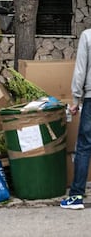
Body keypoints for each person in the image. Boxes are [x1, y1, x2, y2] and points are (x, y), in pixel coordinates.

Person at [60, 28, 91, 210]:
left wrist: (75, 100)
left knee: (85, 146)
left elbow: (80, 70)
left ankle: (76, 195)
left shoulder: (88, 36)